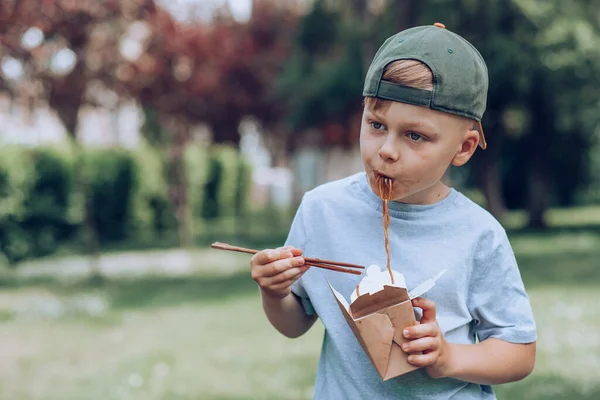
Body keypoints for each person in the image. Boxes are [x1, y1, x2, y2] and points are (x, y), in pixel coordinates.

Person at [250, 23, 536, 399]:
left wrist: (448, 359)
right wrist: (274, 293)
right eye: (376, 124)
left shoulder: (478, 235)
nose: (387, 150)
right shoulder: (322, 210)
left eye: (415, 136)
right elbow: (295, 323)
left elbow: (519, 352)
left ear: (463, 149)